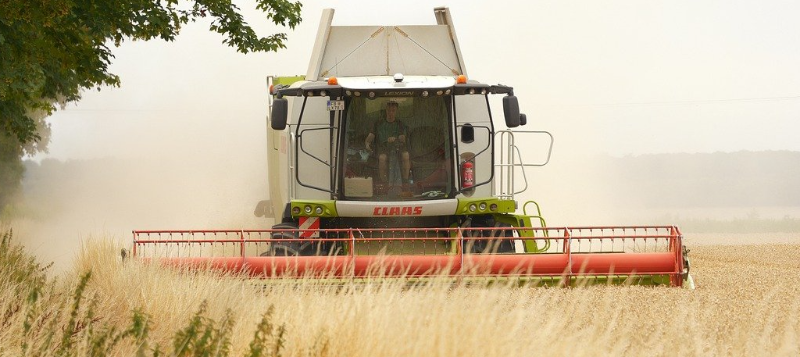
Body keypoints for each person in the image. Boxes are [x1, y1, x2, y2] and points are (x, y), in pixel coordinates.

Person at [364, 100, 412, 194]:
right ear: (386, 110)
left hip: (398, 147)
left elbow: (403, 138)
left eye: (393, 110)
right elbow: (370, 137)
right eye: (389, 110)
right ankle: (385, 183)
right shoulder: (378, 124)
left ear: (396, 111)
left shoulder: (400, 124)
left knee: (406, 155)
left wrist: (397, 138)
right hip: (384, 148)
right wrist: (367, 143)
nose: (391, 113)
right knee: (382, 158)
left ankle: (405, 182)